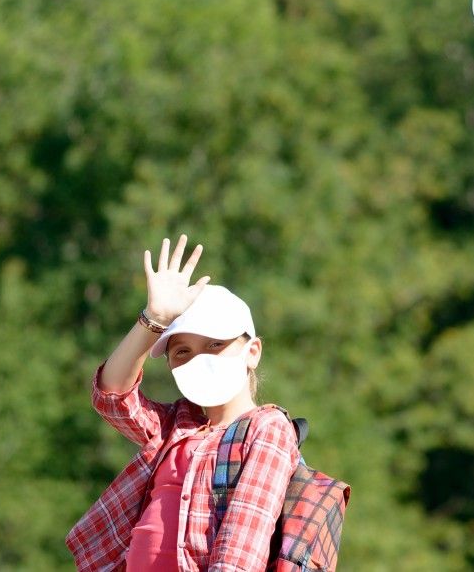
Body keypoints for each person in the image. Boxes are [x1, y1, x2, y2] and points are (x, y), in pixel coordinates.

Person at [66, 235, 300, 572]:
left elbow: (241, 550)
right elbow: (112, 396)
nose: (198, 358)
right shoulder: (176, 425)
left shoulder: (267, 429)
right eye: (182, 351)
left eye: (215, 344)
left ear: (252, 352)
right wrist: (154, 318)